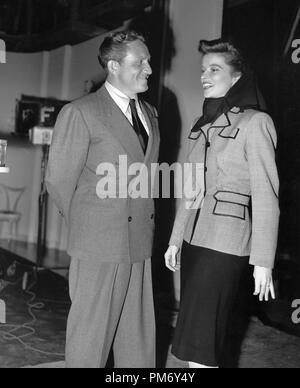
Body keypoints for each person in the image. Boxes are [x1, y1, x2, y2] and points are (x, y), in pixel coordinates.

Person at [46, 30, 160, 368]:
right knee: (90, 338)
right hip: (98, 243)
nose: (149, 69)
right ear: (113, 65)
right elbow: (58, 181)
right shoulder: (81, 112)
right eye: (140, 62)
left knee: (137, 339)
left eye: (149, 61)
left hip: (139, 240)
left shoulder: (150, 113)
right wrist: (90, 224)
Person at [165, 39, 280, 369]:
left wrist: (263, 260)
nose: (204, 75)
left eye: (214, 69)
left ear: (236, 77)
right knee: (193, 341)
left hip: (226, 245)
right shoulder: (203, 126)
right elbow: (191, 192)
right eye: (203, 69)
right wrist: (176, 239)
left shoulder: (256, 123)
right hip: (194, 242)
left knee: (202, 341)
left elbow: (266, 196)